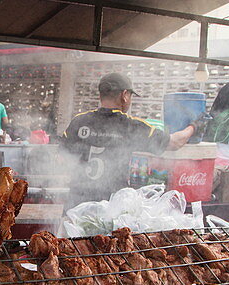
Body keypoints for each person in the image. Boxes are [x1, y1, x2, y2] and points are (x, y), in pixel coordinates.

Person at [62, 72, 196, 205]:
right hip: (110, 207)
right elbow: (174, 142)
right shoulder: (130, 126)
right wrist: (194, 127)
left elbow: (61, 157)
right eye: (131, 96)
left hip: (76, 204)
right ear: (124, 95)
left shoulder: (78, 121)